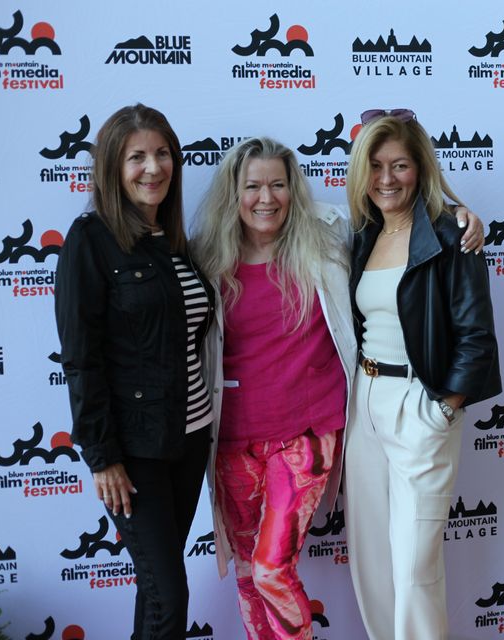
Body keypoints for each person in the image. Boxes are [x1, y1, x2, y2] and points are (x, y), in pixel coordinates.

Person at [190, 136, 485, 640]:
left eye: (278, 184)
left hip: (310, 431)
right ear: (232, 194)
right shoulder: (207, 256)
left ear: (294, 189)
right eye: (253, 186)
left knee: (271, 569)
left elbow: (406, 227)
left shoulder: (329, 233)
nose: (266, 197)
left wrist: (460, 215)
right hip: (237, 439)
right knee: (249, 574)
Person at [55, 104, 215, 640]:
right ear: (112, 168)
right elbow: (82, 359)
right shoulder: (90, 240)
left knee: (154, 593)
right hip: (135, 452)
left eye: (163, 153)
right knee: (171, 598)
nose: (154, 167)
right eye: (137, 157)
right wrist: (102, 458)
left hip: (190, 440)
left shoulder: (173, 243)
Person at [344, 109, 502, 640]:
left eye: (400, 165)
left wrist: (442, 409)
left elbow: (476, 335)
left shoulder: (451, 234)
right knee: (373, 564)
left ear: (421, 169)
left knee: (415, 570)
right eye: (376, 166)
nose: (387, 179)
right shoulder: (362, 235)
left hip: (420, 404)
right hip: (364, 403)